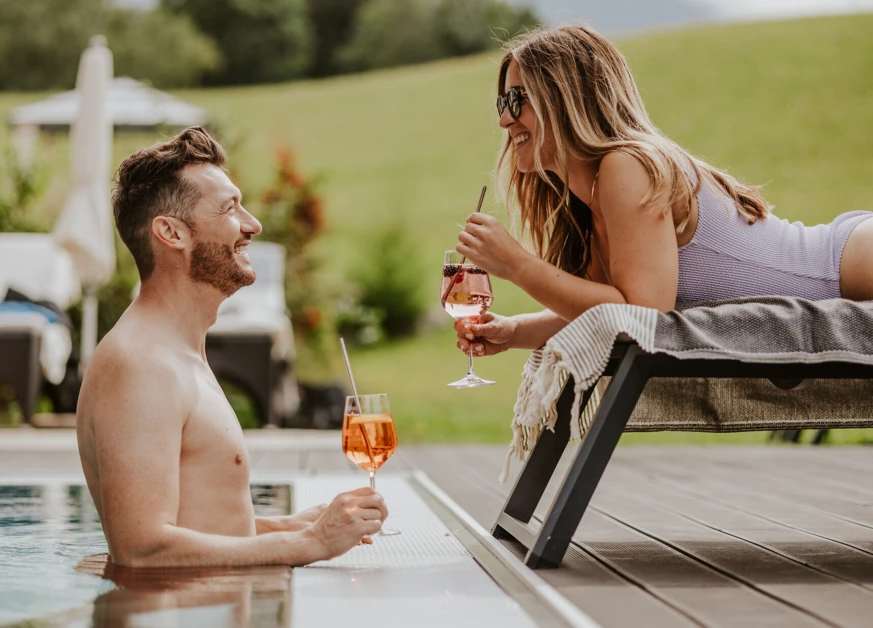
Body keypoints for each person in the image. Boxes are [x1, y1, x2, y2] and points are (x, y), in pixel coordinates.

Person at [454, 25, 873, 358]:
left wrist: (517, 265)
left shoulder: (626, 166)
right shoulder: (592, 198)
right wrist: (512, 332)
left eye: (518, 99)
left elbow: (644, 315)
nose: (504, 121)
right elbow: (604, 309)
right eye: (501, 103)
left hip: (849, 265)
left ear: (567, 98)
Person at [76, 127, 387, 568]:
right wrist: (311, 544)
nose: (252, 224)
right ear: (171, 233)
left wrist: (296, 524)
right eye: (229, 209)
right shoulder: (140, 364)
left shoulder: (176, 352)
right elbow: (142, 548)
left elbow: (200, 525)